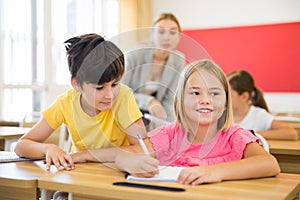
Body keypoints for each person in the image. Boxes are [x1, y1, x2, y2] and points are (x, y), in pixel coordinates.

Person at [115, 59, 280, 185]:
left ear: (225, 102)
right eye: (195, 93)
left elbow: (270, 164)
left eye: (214, 94)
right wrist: (129, 162)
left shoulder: (234, 136)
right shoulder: (169, 134)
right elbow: (126, 154)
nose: (205, 100)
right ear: (180, 100)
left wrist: (216, 172)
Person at [14, 33, 148, 171]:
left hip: (116, 174)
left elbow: (143, 148)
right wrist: (48, 148)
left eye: (115, 84)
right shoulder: (65, 103)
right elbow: (21, 146)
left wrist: (85, 155)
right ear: (77, 84)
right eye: (100, 88)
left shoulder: (123, 97)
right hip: (80, 175)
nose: (110, 95)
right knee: (59, 194)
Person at [121, 12, 185, 127]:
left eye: (172, 32)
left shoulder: (178, 60)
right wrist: (149, 101)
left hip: (151, 115)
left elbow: (169, 100)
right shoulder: (134, 55)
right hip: (125, 109)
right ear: (152, 35)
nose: (166, 37)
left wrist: (173, 128)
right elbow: (119, 92)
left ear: (179, 37)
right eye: (161, 32)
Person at [227, 70, 298, 140]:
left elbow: (292, 133)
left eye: (229, 95)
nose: (224, 98)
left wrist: (252, 134)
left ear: (244, 96)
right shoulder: (222, 114)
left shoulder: (258, 115)